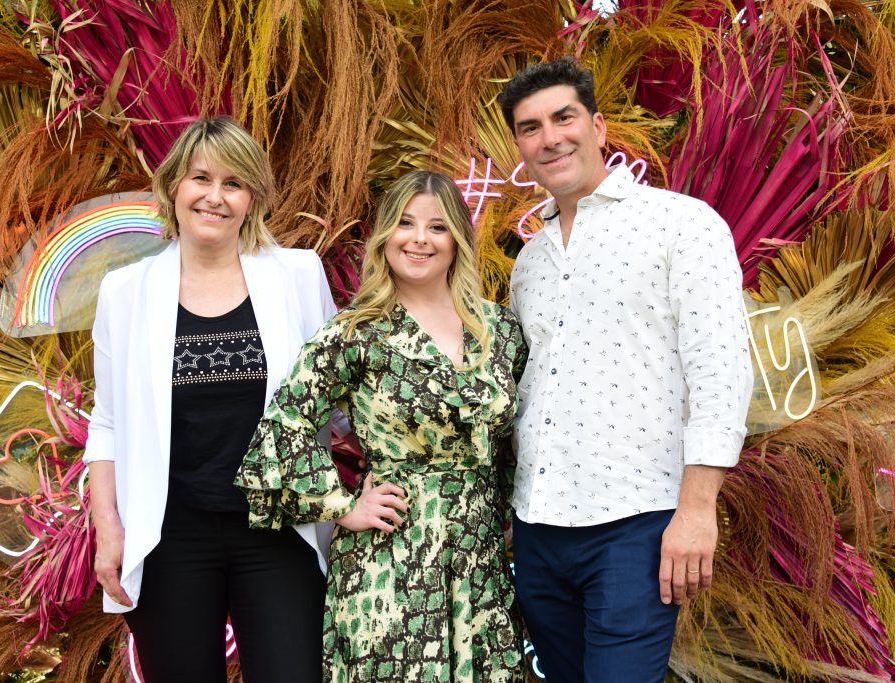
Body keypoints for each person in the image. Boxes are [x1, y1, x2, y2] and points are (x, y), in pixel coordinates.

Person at [497, 57, 753, 681]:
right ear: (521, 148)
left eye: (564, 118)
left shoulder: (681, 224)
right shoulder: (528, 262)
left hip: (636, 524)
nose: (550, 138)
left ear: (598, 126)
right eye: (531, 128)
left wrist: (698, 509)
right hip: (537, 527)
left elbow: (720, 371)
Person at [234, 170, 528, 683]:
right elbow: (283, 426)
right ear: (385, 236)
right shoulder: (356, 332)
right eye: (405, 223)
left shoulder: (498, 330)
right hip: (389, 567)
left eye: (437, 226)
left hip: (479, 564)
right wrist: (343, 506)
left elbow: (515, 441)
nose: (419, 239)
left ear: (458, 239)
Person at [84, 116, 337, 683]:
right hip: (170, 535)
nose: (214, 197)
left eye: (234, 183)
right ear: (174, 185)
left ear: (253, 198)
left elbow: (338, 398)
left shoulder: (298, 276)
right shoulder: (125, 291)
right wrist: (109, 529)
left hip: (279, 531)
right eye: (201, 178)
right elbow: (108, 422)